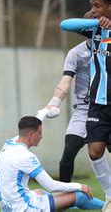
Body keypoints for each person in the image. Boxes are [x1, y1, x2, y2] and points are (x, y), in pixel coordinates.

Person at [60, 0, 111, 211]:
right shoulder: (94, 29)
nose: (93, 10)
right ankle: (110, 197)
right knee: (95, 150)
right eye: (91, 6)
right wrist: (93, 21)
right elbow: (65, 24)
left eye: (97, 6)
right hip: (98, 103)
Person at [0, 116, 103, 211]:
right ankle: (107, 206)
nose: (41, 136)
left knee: (39, 192)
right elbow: (51, 186)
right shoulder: (25, 156)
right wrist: (80, 186)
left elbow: (31, 124)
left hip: (8, 207)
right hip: (25, 208)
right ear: (31, 134)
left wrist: (46, 110)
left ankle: (69, 204)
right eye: (39, 132)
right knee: (81, 196)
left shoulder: (9, 143)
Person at [44, 12, 93, 182]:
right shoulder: (76, 53)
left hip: (106, 109)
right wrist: (53, 102)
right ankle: (64, 198)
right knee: (68, 153)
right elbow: (66, 81)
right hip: (84, 111)